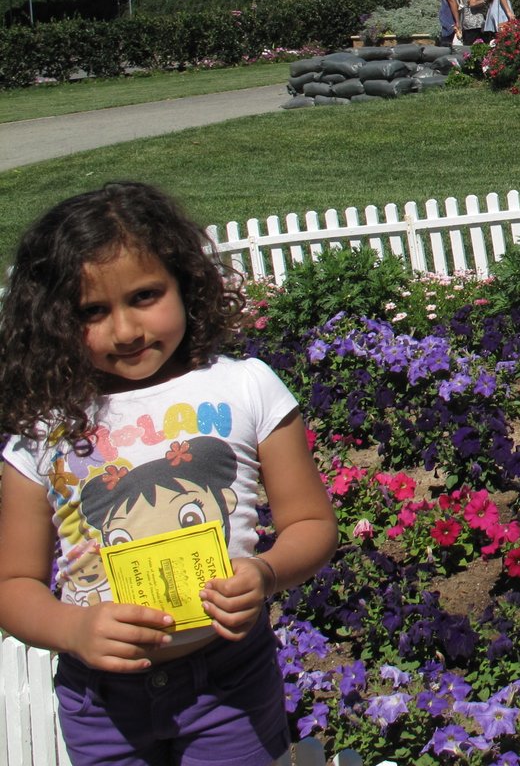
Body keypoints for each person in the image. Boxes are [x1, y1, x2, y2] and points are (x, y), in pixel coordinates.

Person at [0, 182, 336, 766]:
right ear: (53, 320)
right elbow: (11, 585)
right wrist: (72, 631)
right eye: (92, 312)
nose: (126, 330)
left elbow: (311, 523)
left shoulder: (244, 386)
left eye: (145, 295)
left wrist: (265, 571)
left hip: (227, 682)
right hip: (100, 702)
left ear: (184, 281)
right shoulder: (41, 429)